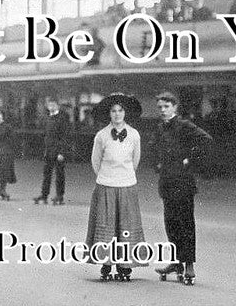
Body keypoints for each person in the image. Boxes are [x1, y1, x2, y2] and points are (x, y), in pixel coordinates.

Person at [152, 90, 212, 285]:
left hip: (184, 183)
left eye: (166, 107)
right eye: (160, 107)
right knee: (171, 223)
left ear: (175, 107)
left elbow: (206, 140)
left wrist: (189, 160)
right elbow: (154, 148)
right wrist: (157, 164)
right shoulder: (160, 127)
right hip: (167, 182)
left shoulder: (184, 125)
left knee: (186, 224)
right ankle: (176, 262)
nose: (162, 110)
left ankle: (188, 264)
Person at [85, 93, 145, 282]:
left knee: (125, 226)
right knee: (106, 225)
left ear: (125, 113)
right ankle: (106, 264)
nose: (117, 114)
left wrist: (124, 176)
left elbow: (135, 161)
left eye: (120, 110)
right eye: (113, 111)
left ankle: (125, 266)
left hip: (127, 185)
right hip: (106, 186)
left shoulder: (134, 134)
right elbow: (96, 162)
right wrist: (107, 177)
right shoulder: (101, 135)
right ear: (109, 114)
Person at [34, 97, 71, 205]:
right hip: (48, 150)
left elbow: (65, 136)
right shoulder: (46, 118)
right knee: (47, 174)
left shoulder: (62, 118)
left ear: (57, 106)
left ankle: (59, 196)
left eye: (53, 105)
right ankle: (44, 195)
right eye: (49, 105)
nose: (51, 107)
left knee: (59, 175)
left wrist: (62, 152)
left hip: (58, 151)